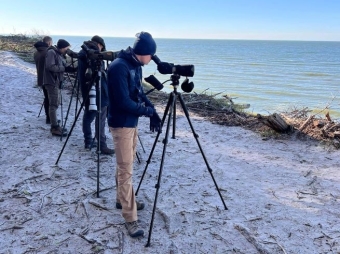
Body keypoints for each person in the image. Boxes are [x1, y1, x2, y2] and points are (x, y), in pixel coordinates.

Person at [107, 32, 162, 238]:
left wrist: (152, 110)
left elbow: (138, 93)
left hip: (131, 123)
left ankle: (122, 199)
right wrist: (146, 111)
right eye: (152, 55)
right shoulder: (119, 67)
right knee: (125, 170)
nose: (152, 59)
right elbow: (123, 102)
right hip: (121, 124)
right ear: (144, 53)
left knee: (124, 166)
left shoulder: (135, 65)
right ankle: (130, 217)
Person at [78, 35, 115, 155]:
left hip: (87, 90)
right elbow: (97, 73)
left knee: (88, 116)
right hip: (98, 92)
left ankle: (88, 141)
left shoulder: (82, 53)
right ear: (99, 45)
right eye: (102, 48)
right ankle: (102, 145)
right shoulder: (93, 55)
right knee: (101, 118)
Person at [43, 39, 75, 136]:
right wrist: (63, 68)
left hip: (55, 81)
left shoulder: (58, 54)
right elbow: (50, 66)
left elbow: (61, 66)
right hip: (51, 82)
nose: (67, 50)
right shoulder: (52, 52)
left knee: (56, 103)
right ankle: (54, 127)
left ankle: (55, 124)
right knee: (53, 104)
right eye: (66, 48)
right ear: (62, 47)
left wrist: (72, 69)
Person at [33, 36, 53, 124]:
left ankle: (48, 117)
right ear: (49, 43)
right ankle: (50, 118)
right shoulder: (48, 52)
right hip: (48, 78)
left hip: (41, 78)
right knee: (51, 99)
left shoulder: (36, 52)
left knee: (47, 98)